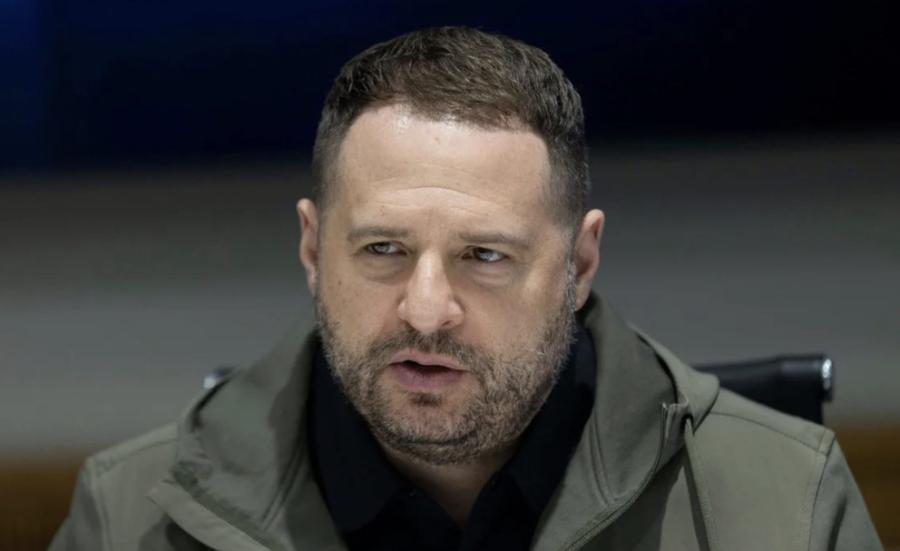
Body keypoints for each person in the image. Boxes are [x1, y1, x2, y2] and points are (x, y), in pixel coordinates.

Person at [51, 26, 882, 551]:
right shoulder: (130, 518)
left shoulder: (784, 507)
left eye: (484, 256)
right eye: (383, 248)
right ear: (311, 247)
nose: (425, 310)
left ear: (579, 265)